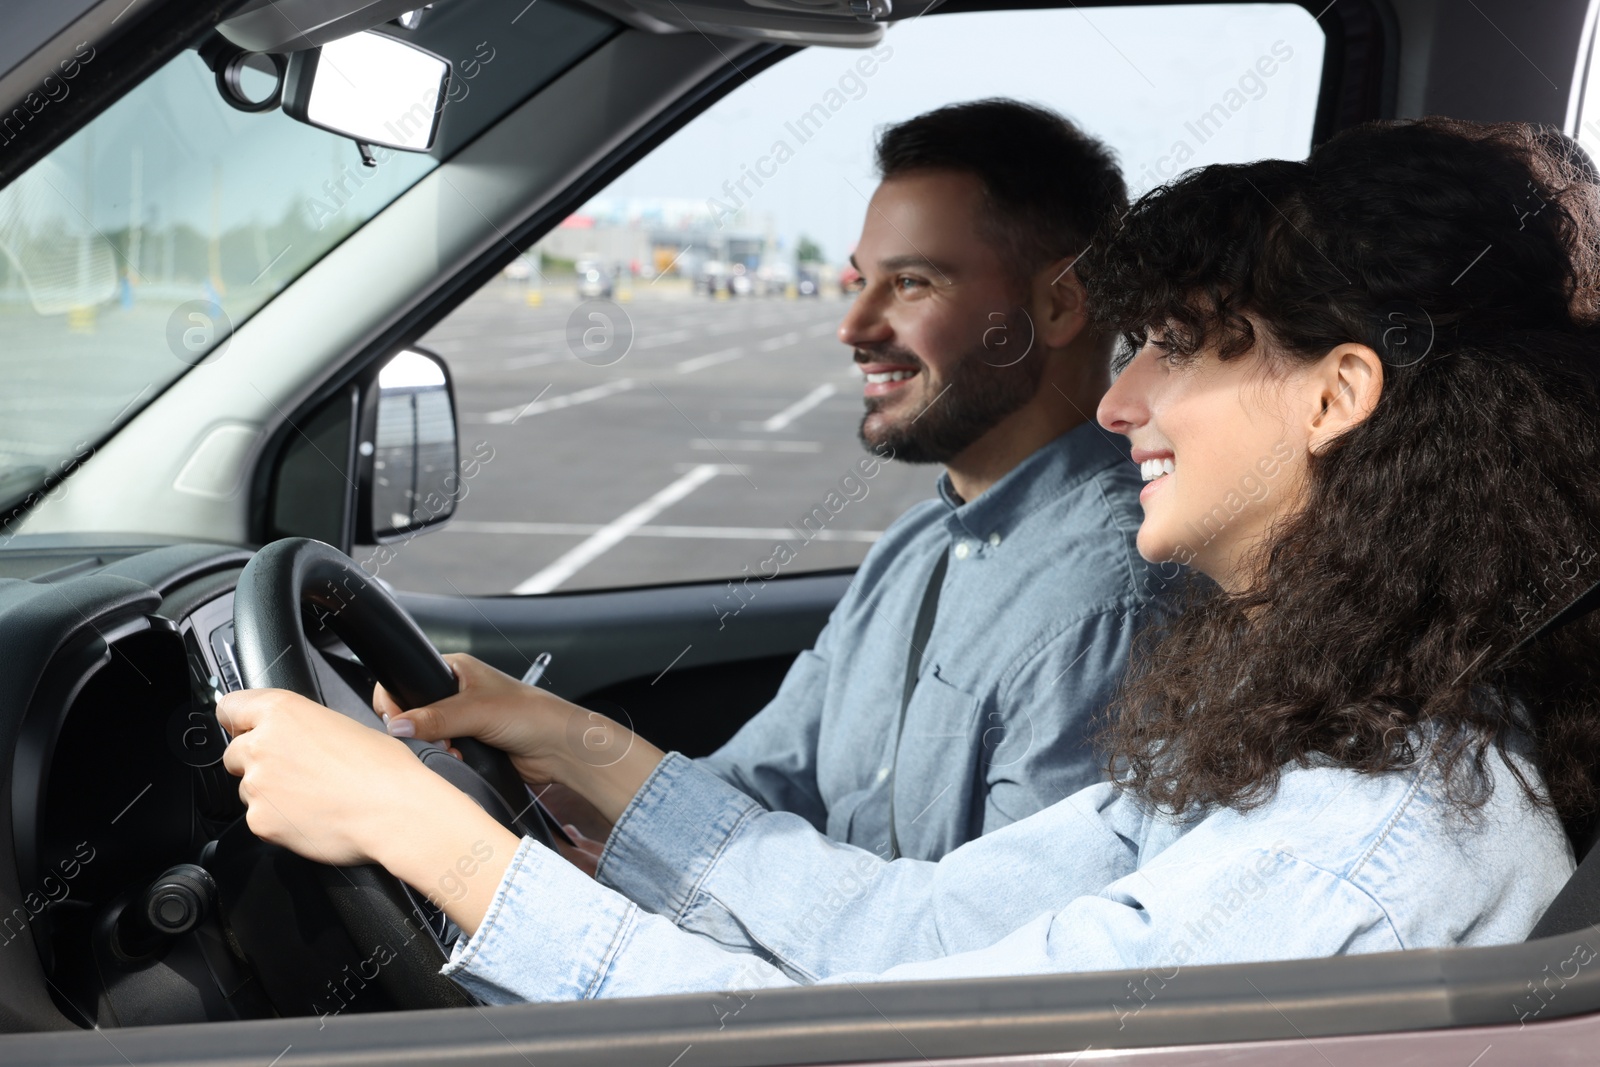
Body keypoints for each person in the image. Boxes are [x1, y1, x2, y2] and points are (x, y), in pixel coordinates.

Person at [218, 117, 1600, 1001]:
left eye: (1181, 343)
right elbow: (924, 936)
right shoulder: (1320, 729)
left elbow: (897, 1043)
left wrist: (435, 843)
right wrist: (570, 743)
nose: (1123, 402)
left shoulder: (1359, 844)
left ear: (1335, 392)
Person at [552, 99, 1157, 864]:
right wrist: (540, 785)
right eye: (861, 280)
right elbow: (756, 784)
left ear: (1060, 304)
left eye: (909, 283)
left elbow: (996, 954)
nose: (854, 325)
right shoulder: (916, 548)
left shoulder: (1107, 600)